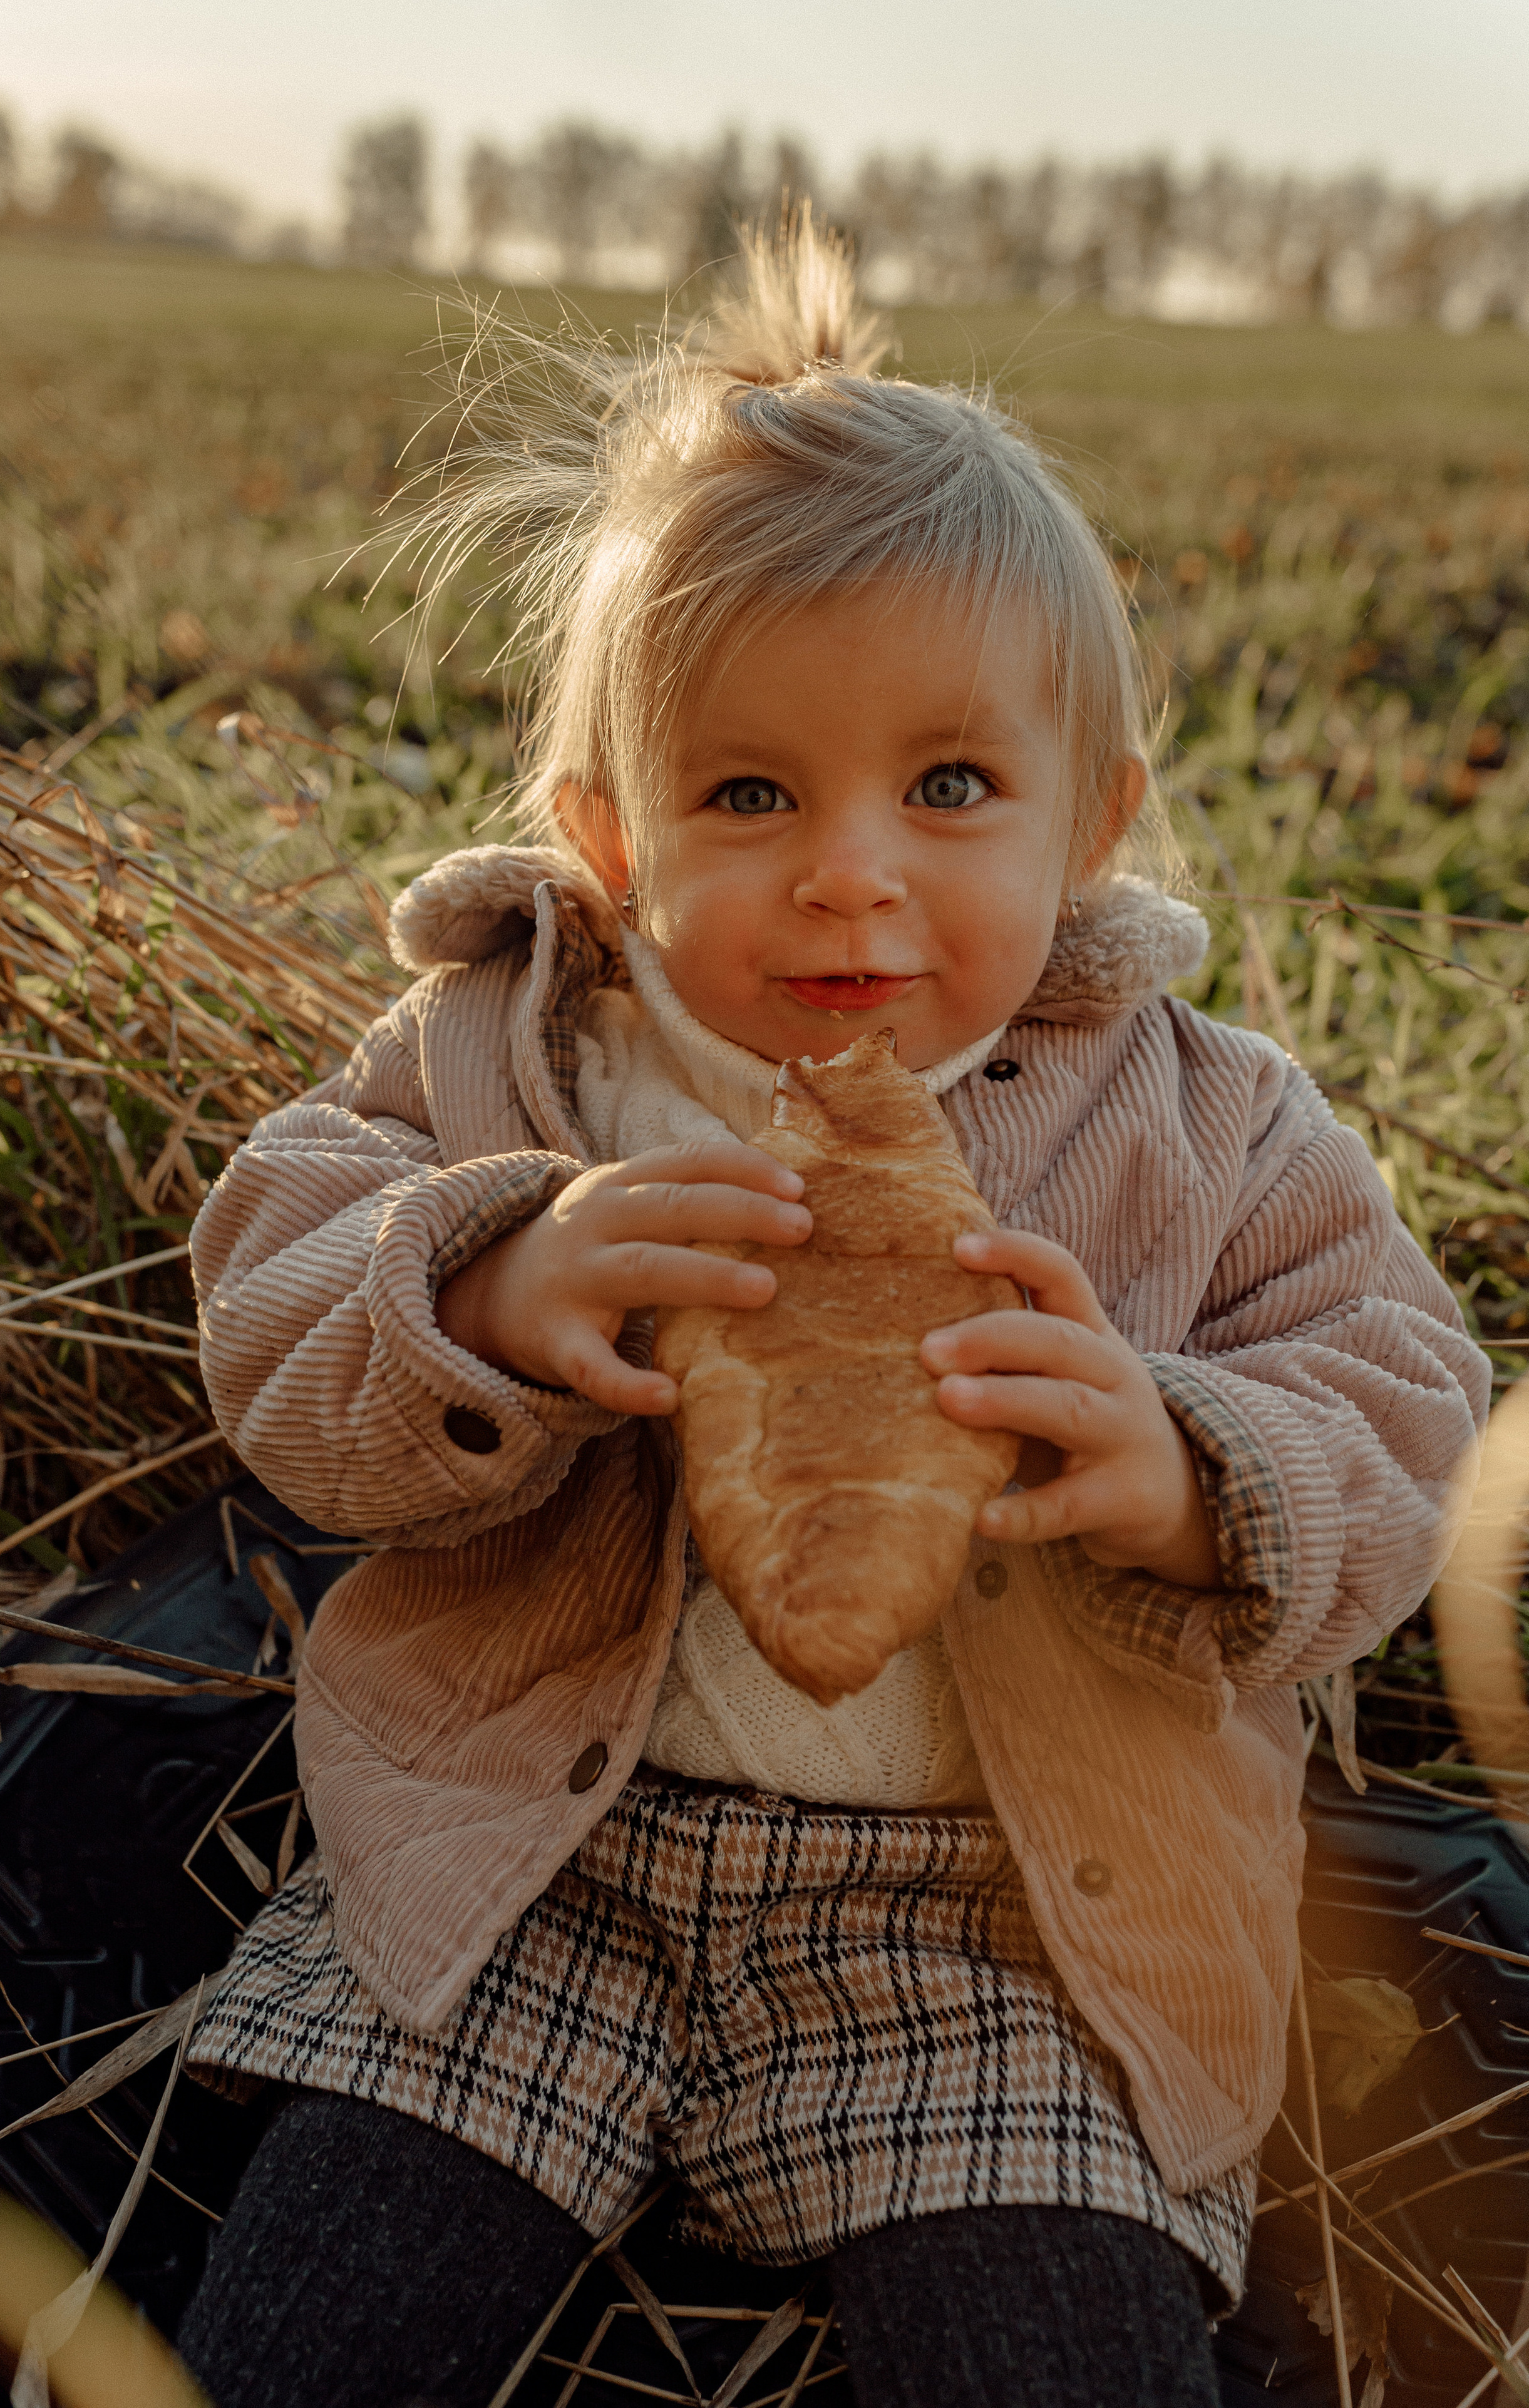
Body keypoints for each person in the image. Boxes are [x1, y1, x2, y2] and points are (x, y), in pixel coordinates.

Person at [176, 218, 1490, 2408]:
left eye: (952, 787)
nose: (853, 869)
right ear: (610, 835)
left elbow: (1408, 1403)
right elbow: (270, 1312)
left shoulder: (1210, 1127)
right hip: (519, 1880)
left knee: (1058, 2356)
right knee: (299, 2340)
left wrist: (1187, 1473)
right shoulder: (507, 1055)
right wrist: (488, 1281)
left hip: (1001, 1938)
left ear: (1096, 824)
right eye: (752, 792)